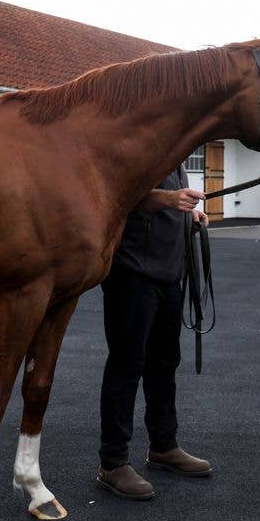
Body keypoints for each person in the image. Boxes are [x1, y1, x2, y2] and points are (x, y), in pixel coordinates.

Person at [96, 166, 212, 500]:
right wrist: (169, 199)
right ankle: (112, 462)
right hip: (131, 271)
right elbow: (120, 195)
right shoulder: (140, 143)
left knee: (164, 363)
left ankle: (163, 445)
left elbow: (167, 206)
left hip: (168, 273)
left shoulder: (175, 155)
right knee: (126, 365)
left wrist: (191, 215)